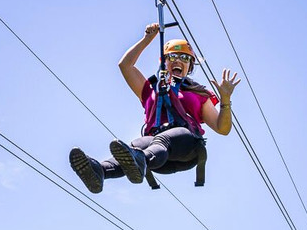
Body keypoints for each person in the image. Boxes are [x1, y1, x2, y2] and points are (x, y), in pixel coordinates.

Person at [69, 23, 239, 194]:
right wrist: (147, 39)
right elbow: (125, 65)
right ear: (164, 61)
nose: (178, 60)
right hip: (158, 159)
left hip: (187, 147)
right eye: (172, 56)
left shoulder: (198, 93)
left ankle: (140, 159)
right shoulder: (151, 89)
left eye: (185, 58)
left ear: (189, 66)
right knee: (136, 145)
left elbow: (222, 128)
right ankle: (100, 171)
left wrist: (225, 99)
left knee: (159, 142)